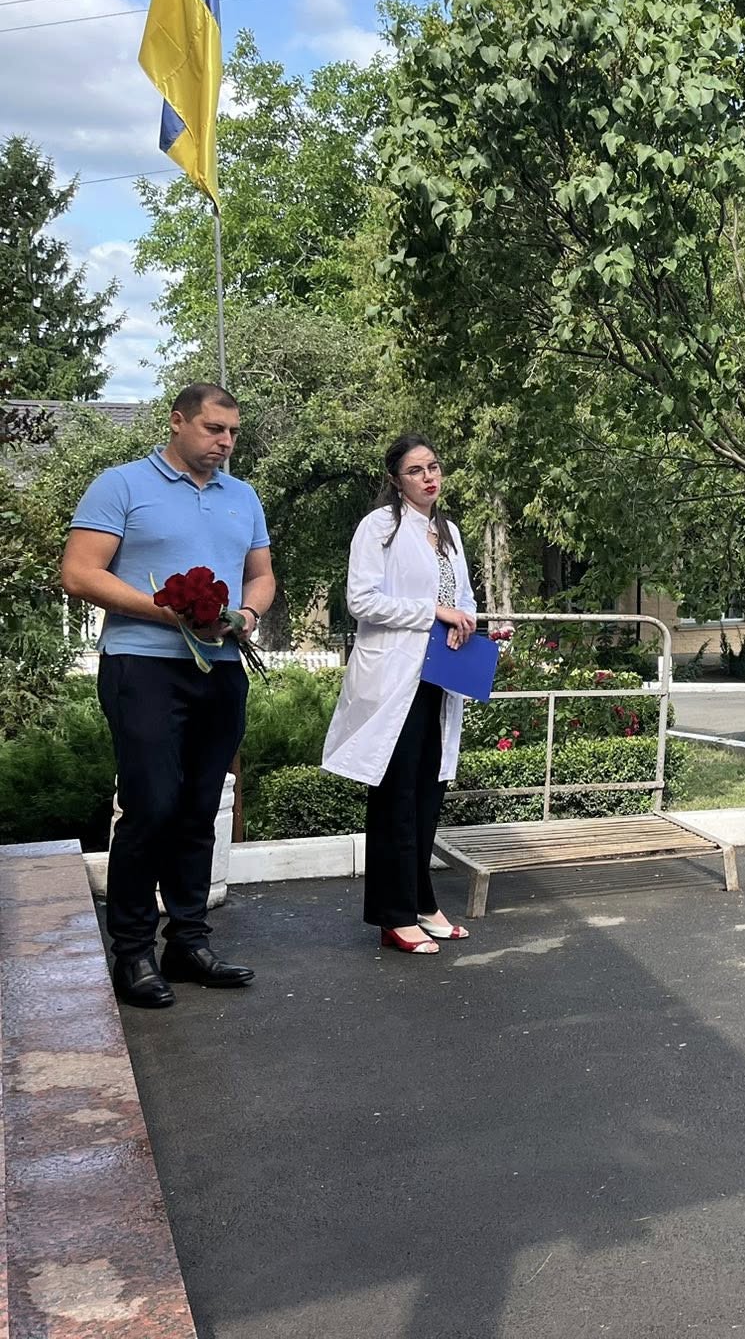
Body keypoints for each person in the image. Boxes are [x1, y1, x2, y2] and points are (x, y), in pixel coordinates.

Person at [61, 383, 276, 1008]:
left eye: (233, 432)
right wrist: (168, 612)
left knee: (199, 806)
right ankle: (132, 952)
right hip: (143, 665)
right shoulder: (122, 485)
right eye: (214, 429)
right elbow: (79, 572)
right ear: (178, 422)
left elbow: (261, 575)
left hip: (221, 666)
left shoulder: (243, 496)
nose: (225, 442)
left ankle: (188, 941)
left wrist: (247, 616)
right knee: (151, 804)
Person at [321, 436, 480, 953]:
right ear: (395, 479)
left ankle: (423, 902)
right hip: (394, 678)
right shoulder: (380, 527)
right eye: (416, 470)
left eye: (433, 467)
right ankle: (393, 914)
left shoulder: (449, 531)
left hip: (440, 675)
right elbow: (362, 601)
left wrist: (467, 621)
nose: (429, 477)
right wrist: (432, 613)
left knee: (429, 790)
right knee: (396, 796)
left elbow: (462, 597)